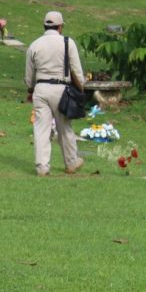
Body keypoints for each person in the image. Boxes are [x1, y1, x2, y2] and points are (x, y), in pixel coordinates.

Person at [24, 11, 86, 177]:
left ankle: (42, 167)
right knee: (64, 127)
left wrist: (30, 90)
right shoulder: (67, 43)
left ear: (45, 25)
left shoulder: (35, 44)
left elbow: (29, 75)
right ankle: (71, 162)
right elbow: (77, 71)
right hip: (61, 89)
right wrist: (81, 89)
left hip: (41, 89)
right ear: (60, 26)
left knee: (41, 129)